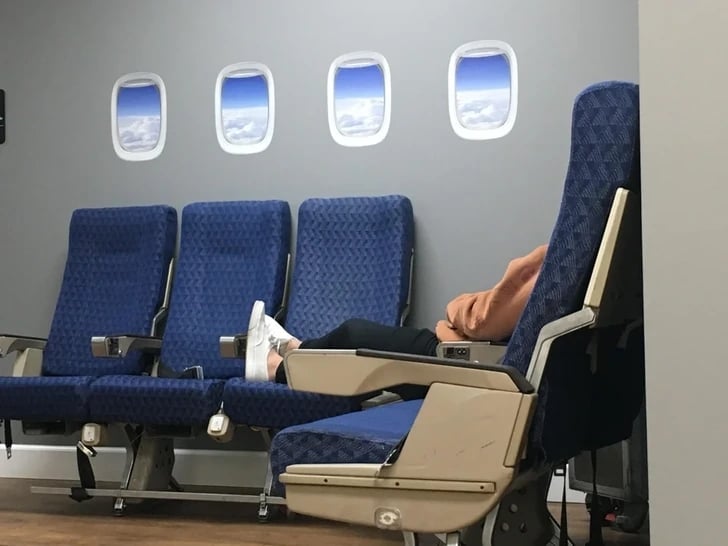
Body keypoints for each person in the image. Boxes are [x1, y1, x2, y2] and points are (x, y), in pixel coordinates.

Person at [244, 244, 548, 388]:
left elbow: (481, 320)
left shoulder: (554, 268)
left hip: (459, 360)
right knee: (353, 340)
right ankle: (296, 349)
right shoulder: (569, 265)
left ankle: (275, 368)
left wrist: (457, 306)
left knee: (353, 337)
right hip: (472, 359)